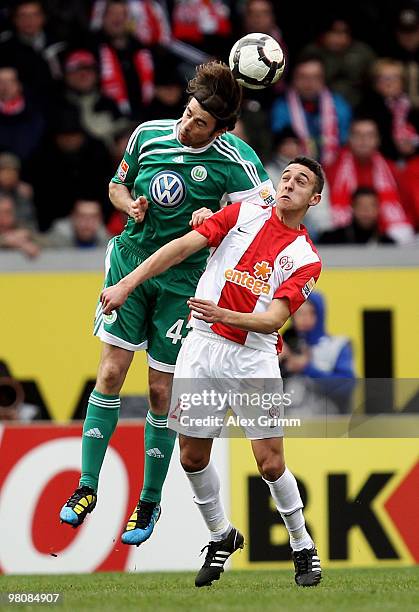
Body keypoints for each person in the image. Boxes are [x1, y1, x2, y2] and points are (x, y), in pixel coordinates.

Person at [59, 61, 277, 548]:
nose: (187, 124)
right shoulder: (148, 134)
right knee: (111, 373)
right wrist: (126, 204)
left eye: (199, 122)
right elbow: (117, 184)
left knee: (161, 392)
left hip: (183, 280)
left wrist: (217, 218)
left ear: (221, 129)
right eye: (188, 111)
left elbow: (260, 224)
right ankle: (87, 486)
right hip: (131, 260)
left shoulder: (238, 160)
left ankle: (149, 498)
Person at [100, 156, 324, 588]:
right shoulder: (244, 212)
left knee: (270, 463)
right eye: (286, 176)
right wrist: (127, 284)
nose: (289, 184)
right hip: (202, 347)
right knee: (192, 456)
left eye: (301, 182)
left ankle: (301, 544)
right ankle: (221, 535)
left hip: (253, 357)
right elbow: (181, 247)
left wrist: (224, 313)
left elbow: (274, 319)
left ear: (313, 199)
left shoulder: (305, 258)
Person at [326, 118, 414, 244]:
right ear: (349, 139)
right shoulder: (332, 168)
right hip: (346, 229)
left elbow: (406, 204)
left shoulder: (392, 169)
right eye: (358, 135)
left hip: (385, 227)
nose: (364, 140)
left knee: (404, 233)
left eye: (369, 135)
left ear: (378, 140)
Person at [271, 57, 352, 166]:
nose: (309, 83)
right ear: (293, 79)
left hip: (335, 167)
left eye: (315, 77)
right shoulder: (281, 107)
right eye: (303, 77)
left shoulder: (339, 105)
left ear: (324, 79)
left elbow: (346, 142)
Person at [318, 186, 395, 244]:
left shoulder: (388, 244)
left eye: (371, 206)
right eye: (361, 206)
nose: (366, 211)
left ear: (378, 209)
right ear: (352, 208)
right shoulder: (330, 240)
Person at [44, 199, 110, 248]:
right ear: (73, 217)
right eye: (82, 216)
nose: (87, 223)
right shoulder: (56, 239)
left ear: (100, 219)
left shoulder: (109, 243)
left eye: (93, 217)